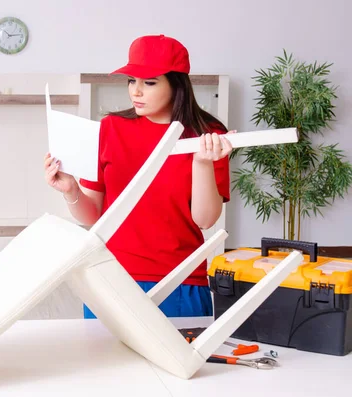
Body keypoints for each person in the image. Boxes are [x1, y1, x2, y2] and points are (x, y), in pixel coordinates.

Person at [43, 34, 234, 318]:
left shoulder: (207, 136)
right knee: (102, 362)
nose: (136, 91)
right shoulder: (110, 128)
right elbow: (95, 214)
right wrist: (71, 190)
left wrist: (203, 164)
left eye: (150, 82)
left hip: (178, 281)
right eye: (132, 80)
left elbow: (205, 220)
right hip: (109, 278)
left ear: (177, 84)